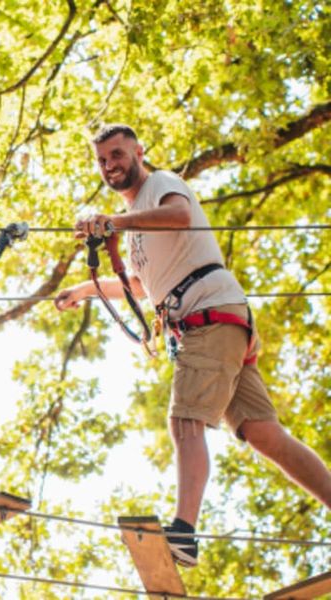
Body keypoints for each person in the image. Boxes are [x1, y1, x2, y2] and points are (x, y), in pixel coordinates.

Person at [54, 124, 331, 567]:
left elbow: (181, 216)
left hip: (209, 316)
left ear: (138, 152)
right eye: (103, 160)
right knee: (264, 435)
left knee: (185, 422)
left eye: (118, 154)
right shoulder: (137, 226)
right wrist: (84, 290)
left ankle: (183, 533)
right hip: (213, 321)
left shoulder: (161, 185)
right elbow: (143, 286)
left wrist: (115, 223)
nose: (111, 165)